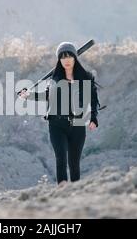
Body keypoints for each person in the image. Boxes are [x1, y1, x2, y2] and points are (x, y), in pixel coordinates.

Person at [18, 42, 100, 186]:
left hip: (78, 124)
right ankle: (62, 191)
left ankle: (75, 192)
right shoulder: (54, 79)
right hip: (56, 124)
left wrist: (94, 118)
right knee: (61, 159)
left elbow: (93, 100)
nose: (66, 60)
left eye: (69, 56)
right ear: (59, 60)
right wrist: (28, 95)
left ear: (75, 57)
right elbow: (47, 96)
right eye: (63, 57)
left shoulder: (85, 77)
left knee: (74, 163)